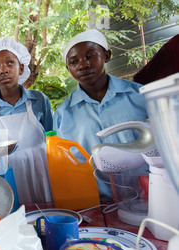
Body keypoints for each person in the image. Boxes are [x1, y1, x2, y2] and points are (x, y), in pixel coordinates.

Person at [54, 29, 148, 199]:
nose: (83, 65)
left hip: (146, 199)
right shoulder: (63, 115)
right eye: (74, 62)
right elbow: (64, 167)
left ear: (107, 55)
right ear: (68, 68)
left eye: (90, 56)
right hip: (95, 205)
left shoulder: (140, 97)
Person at [0, 37, 53, 205]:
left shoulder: (39, 101)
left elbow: (52, 141)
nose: (3, 70)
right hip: (10, 176)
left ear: (21, 68)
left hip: (42, 173)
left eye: (10, 63)